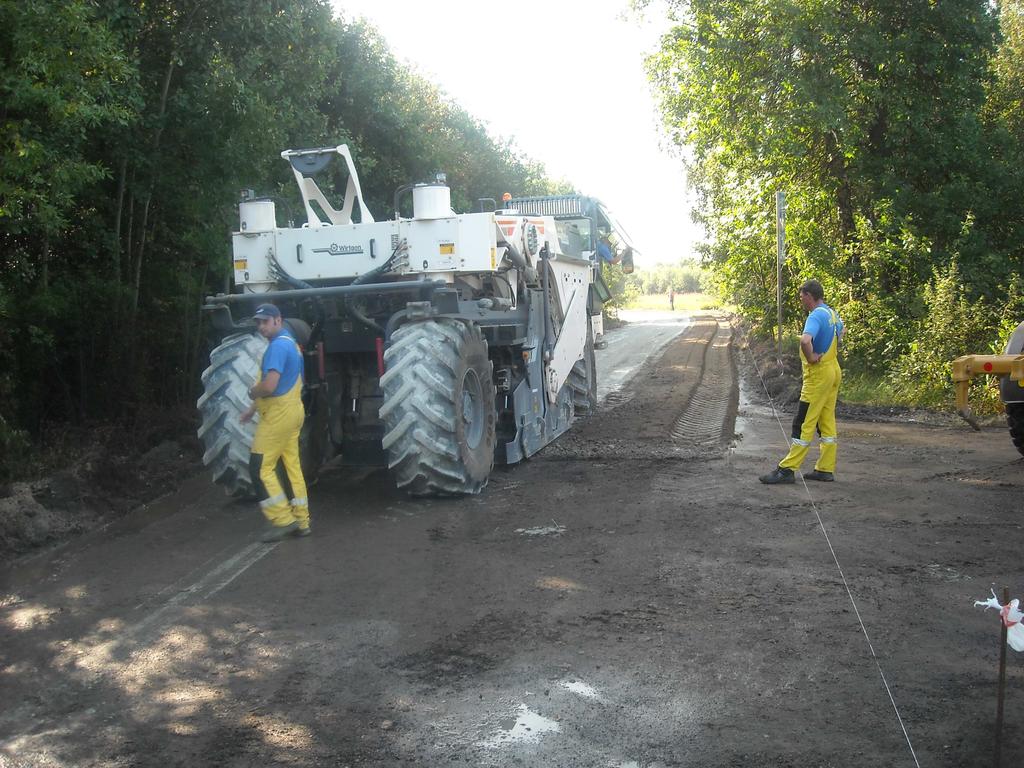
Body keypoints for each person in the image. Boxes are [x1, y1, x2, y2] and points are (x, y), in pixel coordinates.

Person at [760, 279, 844, 484]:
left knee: (803, 422)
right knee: (826, 421)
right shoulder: (831, 313)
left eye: (801, 297)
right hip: (833, 370)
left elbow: (805, 340)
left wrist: (811, 357)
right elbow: (841, 332)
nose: (801, 301)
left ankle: (787, 470)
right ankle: (825, 468)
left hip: (818, 376)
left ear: (809, 295)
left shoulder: (815, 316)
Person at [240, 303, 311, 540]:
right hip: (293, 411)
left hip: (278, 416)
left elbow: (269, 386)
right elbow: (287, 382)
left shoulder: (277, 348)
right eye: (258, 323)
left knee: (260, 467)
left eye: (265, 322)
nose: (261, 327)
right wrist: (253, 409)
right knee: (292, 466)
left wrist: (252, 393)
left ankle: (282, 520)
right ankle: (302, 521)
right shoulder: (291, 344)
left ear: (277, 320)